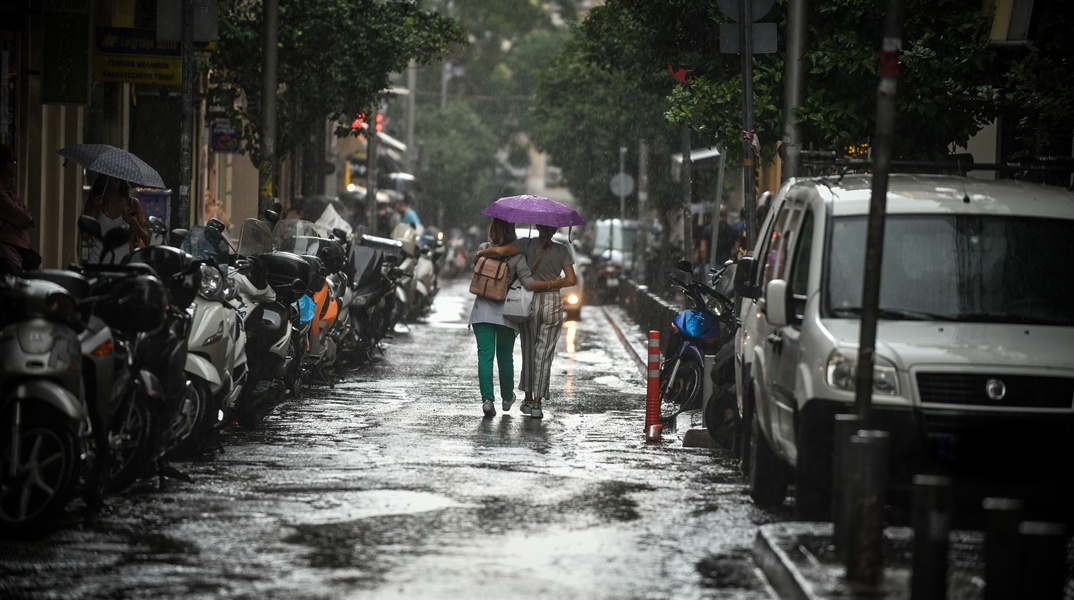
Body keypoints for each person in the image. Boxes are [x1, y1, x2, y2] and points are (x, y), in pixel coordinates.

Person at [476, 223, 577, 419]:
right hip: (552, 302)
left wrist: (481, 254)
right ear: (555, 231)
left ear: (538, 227)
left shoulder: (525, 245)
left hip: (527, 303)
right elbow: (572, 280)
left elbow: (498, 251)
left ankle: (527, 399)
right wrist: (556, 283)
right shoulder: (562, 250)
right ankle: (537, 404)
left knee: (528, 351)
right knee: (544, 354)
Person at [468, 218, 544, 418]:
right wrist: (547, 281)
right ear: (512, 231)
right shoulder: (518, 257)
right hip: (506, 314)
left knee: (485, 356)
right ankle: (507, 397)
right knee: (505, 357)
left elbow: (475, 270)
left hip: (482, 311)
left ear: (492, 229)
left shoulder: (483, 249)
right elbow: (528, 282)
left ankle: (487, 399)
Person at [82, 175, 147, 264]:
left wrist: (134, 224)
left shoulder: (132, 204)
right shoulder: (95, 201)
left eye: (116, 180)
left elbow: (146, 239)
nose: (112, 184)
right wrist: (93, 208)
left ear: (121, 181)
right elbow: (85, 237)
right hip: (97, 262)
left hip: (122, 264)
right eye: (108, 180)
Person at [0, 144, 36, 274]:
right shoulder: (1, 193)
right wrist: (25, 215)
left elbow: (25, 211)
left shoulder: (7, 190)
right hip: (8, 256)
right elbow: (24, 217)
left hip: (16, 256)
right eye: (12, 161)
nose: (14, 165)